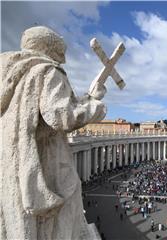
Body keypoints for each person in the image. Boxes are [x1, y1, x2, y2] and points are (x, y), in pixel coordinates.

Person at [0, 26, 107, 239]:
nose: (64, 59)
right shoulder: (47, 70)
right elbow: (62, 115)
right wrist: (96, 107)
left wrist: (88, 96)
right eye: (61, 52)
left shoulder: (9, 72)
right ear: (50, 48)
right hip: (46, 157)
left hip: (10, 159)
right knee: (66, 202)